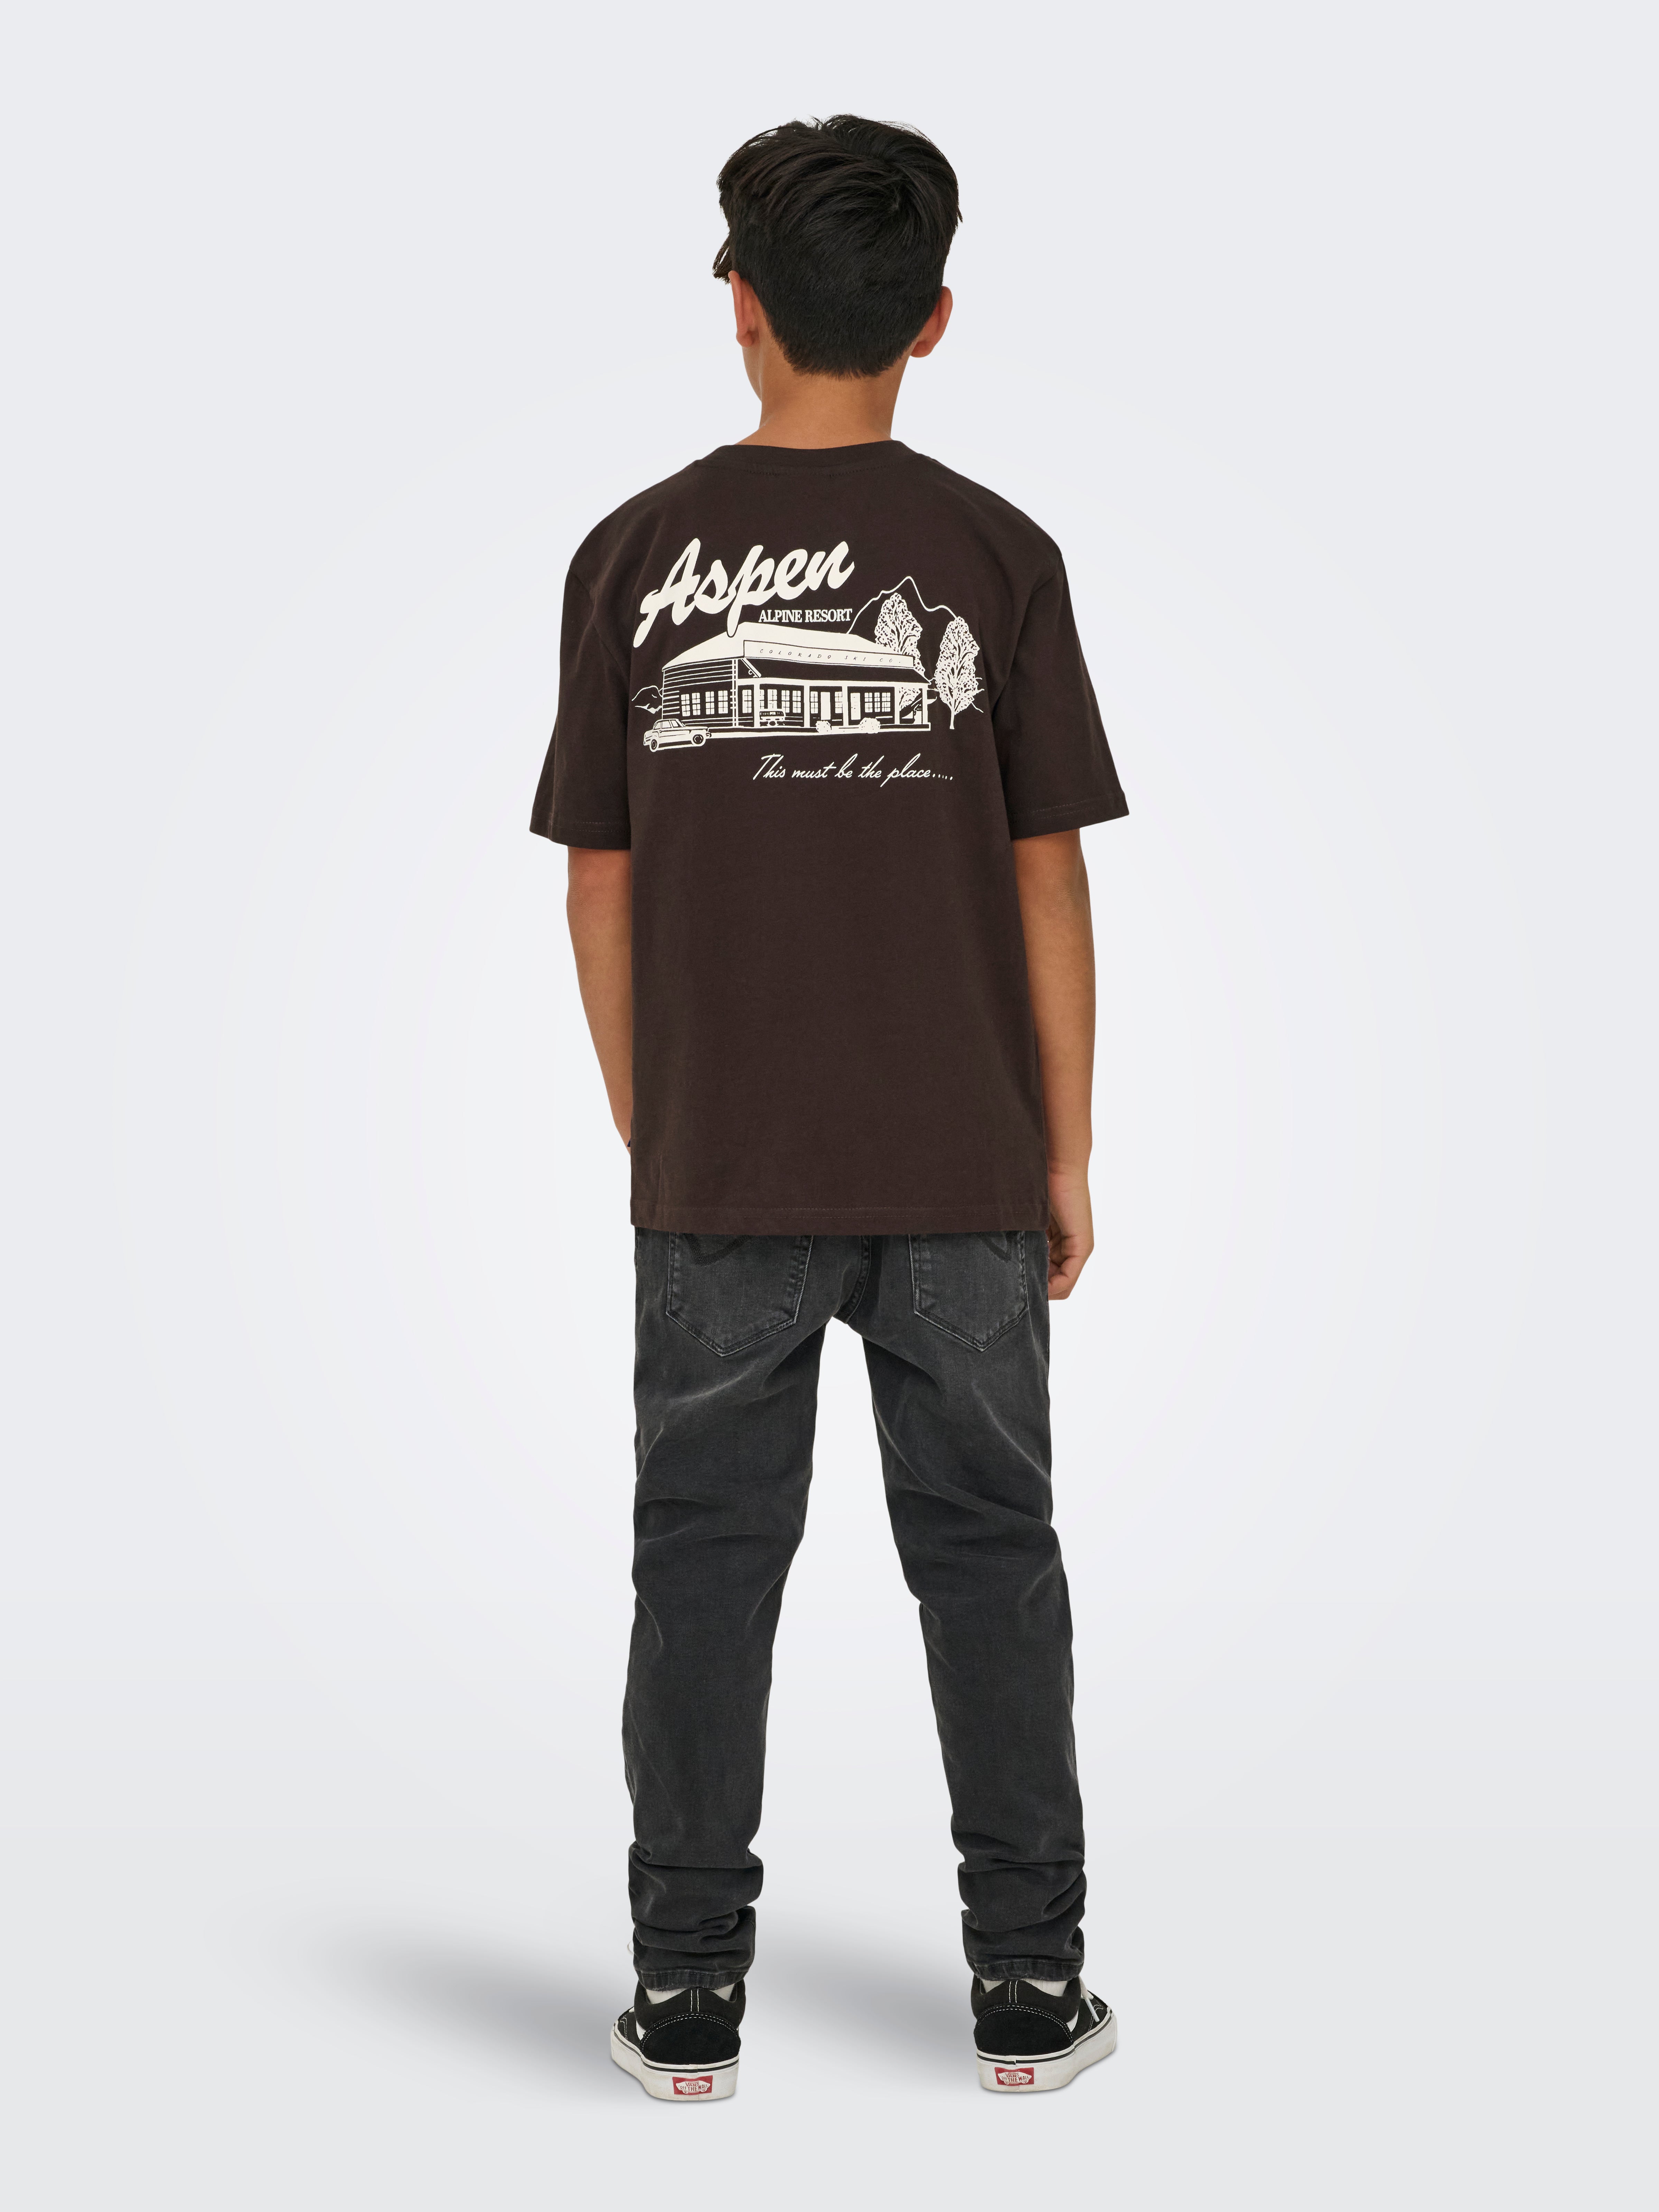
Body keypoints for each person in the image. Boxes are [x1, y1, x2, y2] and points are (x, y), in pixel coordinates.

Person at [531, 115, 1127, 2101]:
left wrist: (660, 1126)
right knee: (992, 1556)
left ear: (739, 306)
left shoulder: (632, 556)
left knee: (704, 1563)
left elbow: (598, 884)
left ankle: (686, 1996)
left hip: (726, 1165)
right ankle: (1027, 1988)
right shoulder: (1000, 553)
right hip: (965, 1160)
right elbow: (1047, 875)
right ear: (935, 317)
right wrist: (1064, 1147)